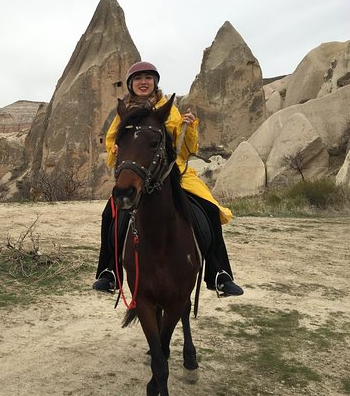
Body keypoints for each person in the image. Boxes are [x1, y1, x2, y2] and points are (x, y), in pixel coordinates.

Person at [92, 61, 244, 297]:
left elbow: (186, 149)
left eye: (148, 78)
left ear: (155, 82)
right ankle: (109, 272)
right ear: (131, 84)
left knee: (209, 209)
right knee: (109, 214)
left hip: (173, 171)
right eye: (138, 78)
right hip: (138, 173)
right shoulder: (125, 112)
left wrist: (189, 128)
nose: (144, 82)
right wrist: (116, 152)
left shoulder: (169, 109)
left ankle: (219, 273)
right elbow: (113, 142)